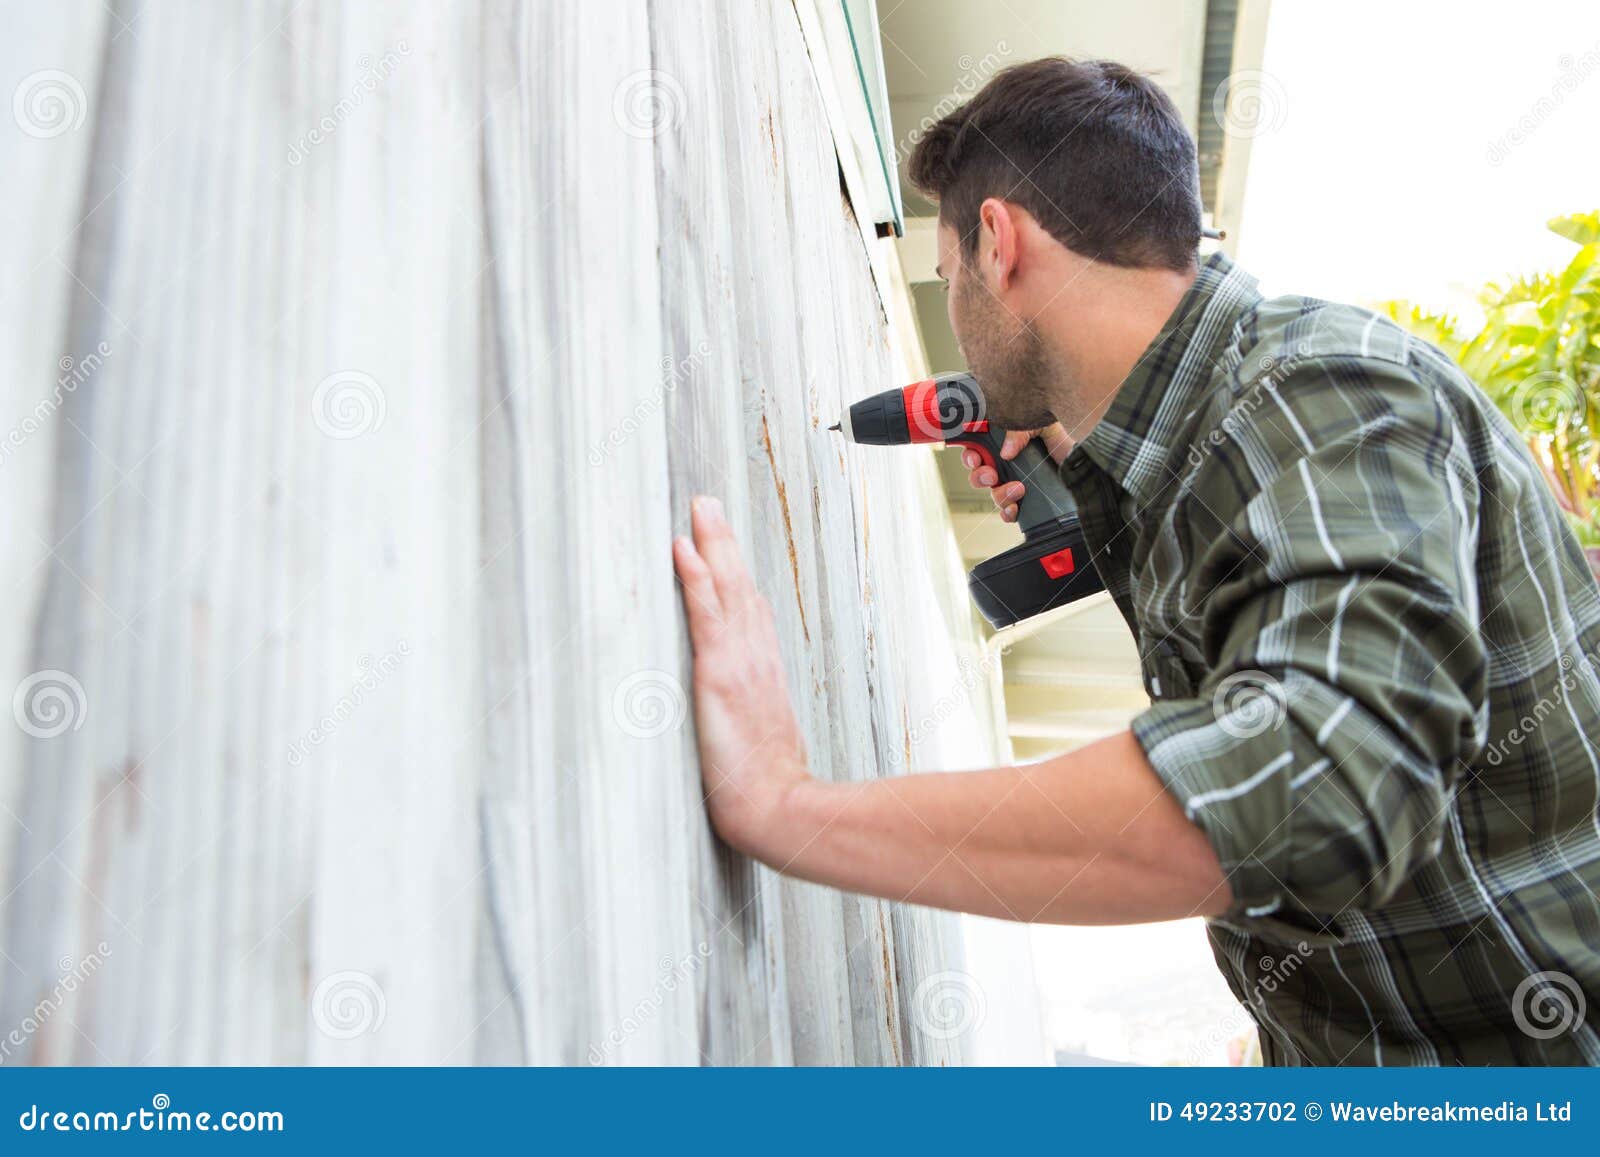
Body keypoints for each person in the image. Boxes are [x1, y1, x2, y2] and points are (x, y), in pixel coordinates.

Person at [670, 57, 1600, 1065]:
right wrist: (1099, 489)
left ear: (999, 241)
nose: (956, 326)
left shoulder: (1322, 389)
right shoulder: (1195, 456)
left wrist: (792, 809)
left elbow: (1316, 787)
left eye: (947, 281)